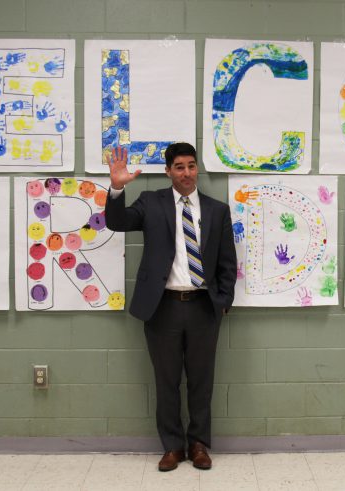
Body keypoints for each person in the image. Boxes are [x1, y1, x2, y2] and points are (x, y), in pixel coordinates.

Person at [106, 143, 238, 472]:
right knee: (166, 380)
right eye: (179, 167)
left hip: (203, 307)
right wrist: (117, 187)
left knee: (201, 380)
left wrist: (223, 301)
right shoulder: (152, 203)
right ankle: (171, 447)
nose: (187, 173)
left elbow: (227, 263)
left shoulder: (217, 210)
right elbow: (117, 221)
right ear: (168, 171)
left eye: (191, 166)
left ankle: (198, 445)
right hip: (162, 306)